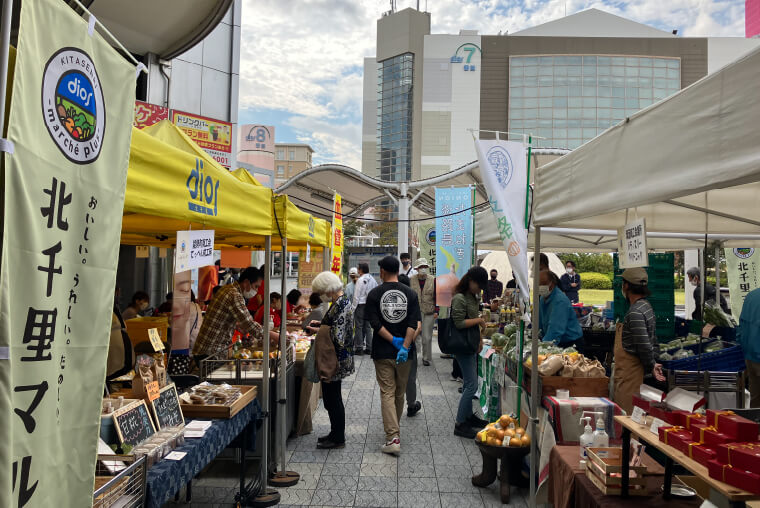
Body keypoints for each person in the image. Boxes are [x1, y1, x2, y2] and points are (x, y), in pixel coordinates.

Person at [366, 256, 420, 455]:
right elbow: (413, 324)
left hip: (382, 351)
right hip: (406, 354)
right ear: (398, 271)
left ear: (381, 271)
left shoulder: (374, 294)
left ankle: (392, 437)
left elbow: (375, 324)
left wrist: (392, 341)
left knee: (387, 392)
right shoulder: (411, 294)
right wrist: (404, 346)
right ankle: (394, 433)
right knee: (399, 393)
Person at [192, 267, 279, 362]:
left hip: (206, 349)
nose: (256, 291)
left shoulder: (227, 289)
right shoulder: (234, 294)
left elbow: (222, 317)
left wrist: (238, 325)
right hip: (210, 352)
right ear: (246, 282)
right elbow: (249, 324)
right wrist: (273, 335)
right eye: (256, 286)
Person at [311, 271, 355, 448]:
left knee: (333, 398)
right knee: (332, 397)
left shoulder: (341, 304)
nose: (321, 295)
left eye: (321, 291)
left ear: (327, 289)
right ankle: (335, 432)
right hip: (336, 357)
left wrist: (320, 330)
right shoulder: (340, 302)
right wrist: (321, 326)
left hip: (334, 359)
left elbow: (337, 336)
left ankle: (338, 437)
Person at [613, 267, 665, 414]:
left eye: (623, 283)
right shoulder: (645, 306)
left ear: (627, 286)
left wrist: (651, 365)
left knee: (627, 417)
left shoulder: (635, 312)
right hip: (632, 371)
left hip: (631, 374)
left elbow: (644, 344)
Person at [451, 266, 489, 438]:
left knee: (468, 383)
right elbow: (459, 323)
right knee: (472, 385)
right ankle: (460, 423)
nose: (479, 289)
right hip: (462, 346)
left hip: (471, 344)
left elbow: (473, 323)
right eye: (478, 285)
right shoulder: (459, 298)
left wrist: (480, 339)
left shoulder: (472, 297)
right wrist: (480, 320)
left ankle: (468, 417)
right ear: (471, 280)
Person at [538, 267, 584, 350]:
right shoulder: (543, 298)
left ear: (552, 283)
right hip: (556, 341)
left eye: (543, 283)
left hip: (571, 344)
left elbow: (555, 329)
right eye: (538, 284)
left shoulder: (560, 301)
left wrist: (543, 348)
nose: (540, 286)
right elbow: (539, 323)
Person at [398, 273, 423, 417]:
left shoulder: (390, 300)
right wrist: (408, 343)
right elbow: (418, 326)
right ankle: (411, 405)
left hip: (391, 346)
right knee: (410, 377)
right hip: (408, 347)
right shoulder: (412, 298)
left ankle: (395, 404)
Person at [410, 258, 436, 367]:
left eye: (425, 267)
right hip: (415, 311)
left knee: (427, 336)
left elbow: (437, 296)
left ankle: (426, 358)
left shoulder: (432, 279)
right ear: (417, 269)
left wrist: (437, 310)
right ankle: (415, 356)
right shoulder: (411, 279)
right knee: (415, 335)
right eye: (421, 267)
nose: (423, 269)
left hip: (429, 311)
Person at [738, 288, 760, 407]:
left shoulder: (751, 295)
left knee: (755, 400)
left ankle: (755, 424)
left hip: (750, 357)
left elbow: (741, 325)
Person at [353, 262, 377, 355]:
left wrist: (353, 308)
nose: (358, 270)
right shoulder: (372, 279)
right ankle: (369, 348)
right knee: (368, 327)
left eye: (358, 269)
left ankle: (359, 348)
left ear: (361, 270)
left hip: (360, 305)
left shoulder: (360, 280)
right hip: (370, 306)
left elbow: (356, 295)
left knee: (359, 326)